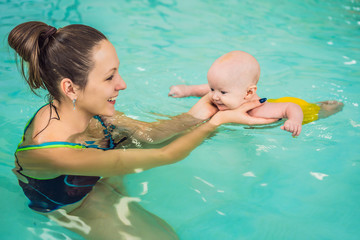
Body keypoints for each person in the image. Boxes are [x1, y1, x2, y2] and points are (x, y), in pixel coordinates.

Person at [9, 22, 277, 240]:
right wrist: (218, 122)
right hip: (73, 206)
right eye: (109, 77)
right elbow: (166, 155)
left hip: (97, 176)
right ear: (70, 88)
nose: (122, 84)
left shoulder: (90, 110)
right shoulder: (53, 150)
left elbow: (152, 134)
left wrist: (206, 108)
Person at [168, 51, 344, 137]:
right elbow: (206, 89)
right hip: (276, 102)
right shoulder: (222, 95)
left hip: (294, 108)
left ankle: (328, 106)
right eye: (213, 89)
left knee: (317, 111)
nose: (214, 96)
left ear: (249, 92)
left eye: (222, 92)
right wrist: (187, 90)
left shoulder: (261, 110)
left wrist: (294, 120)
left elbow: (292, 107)